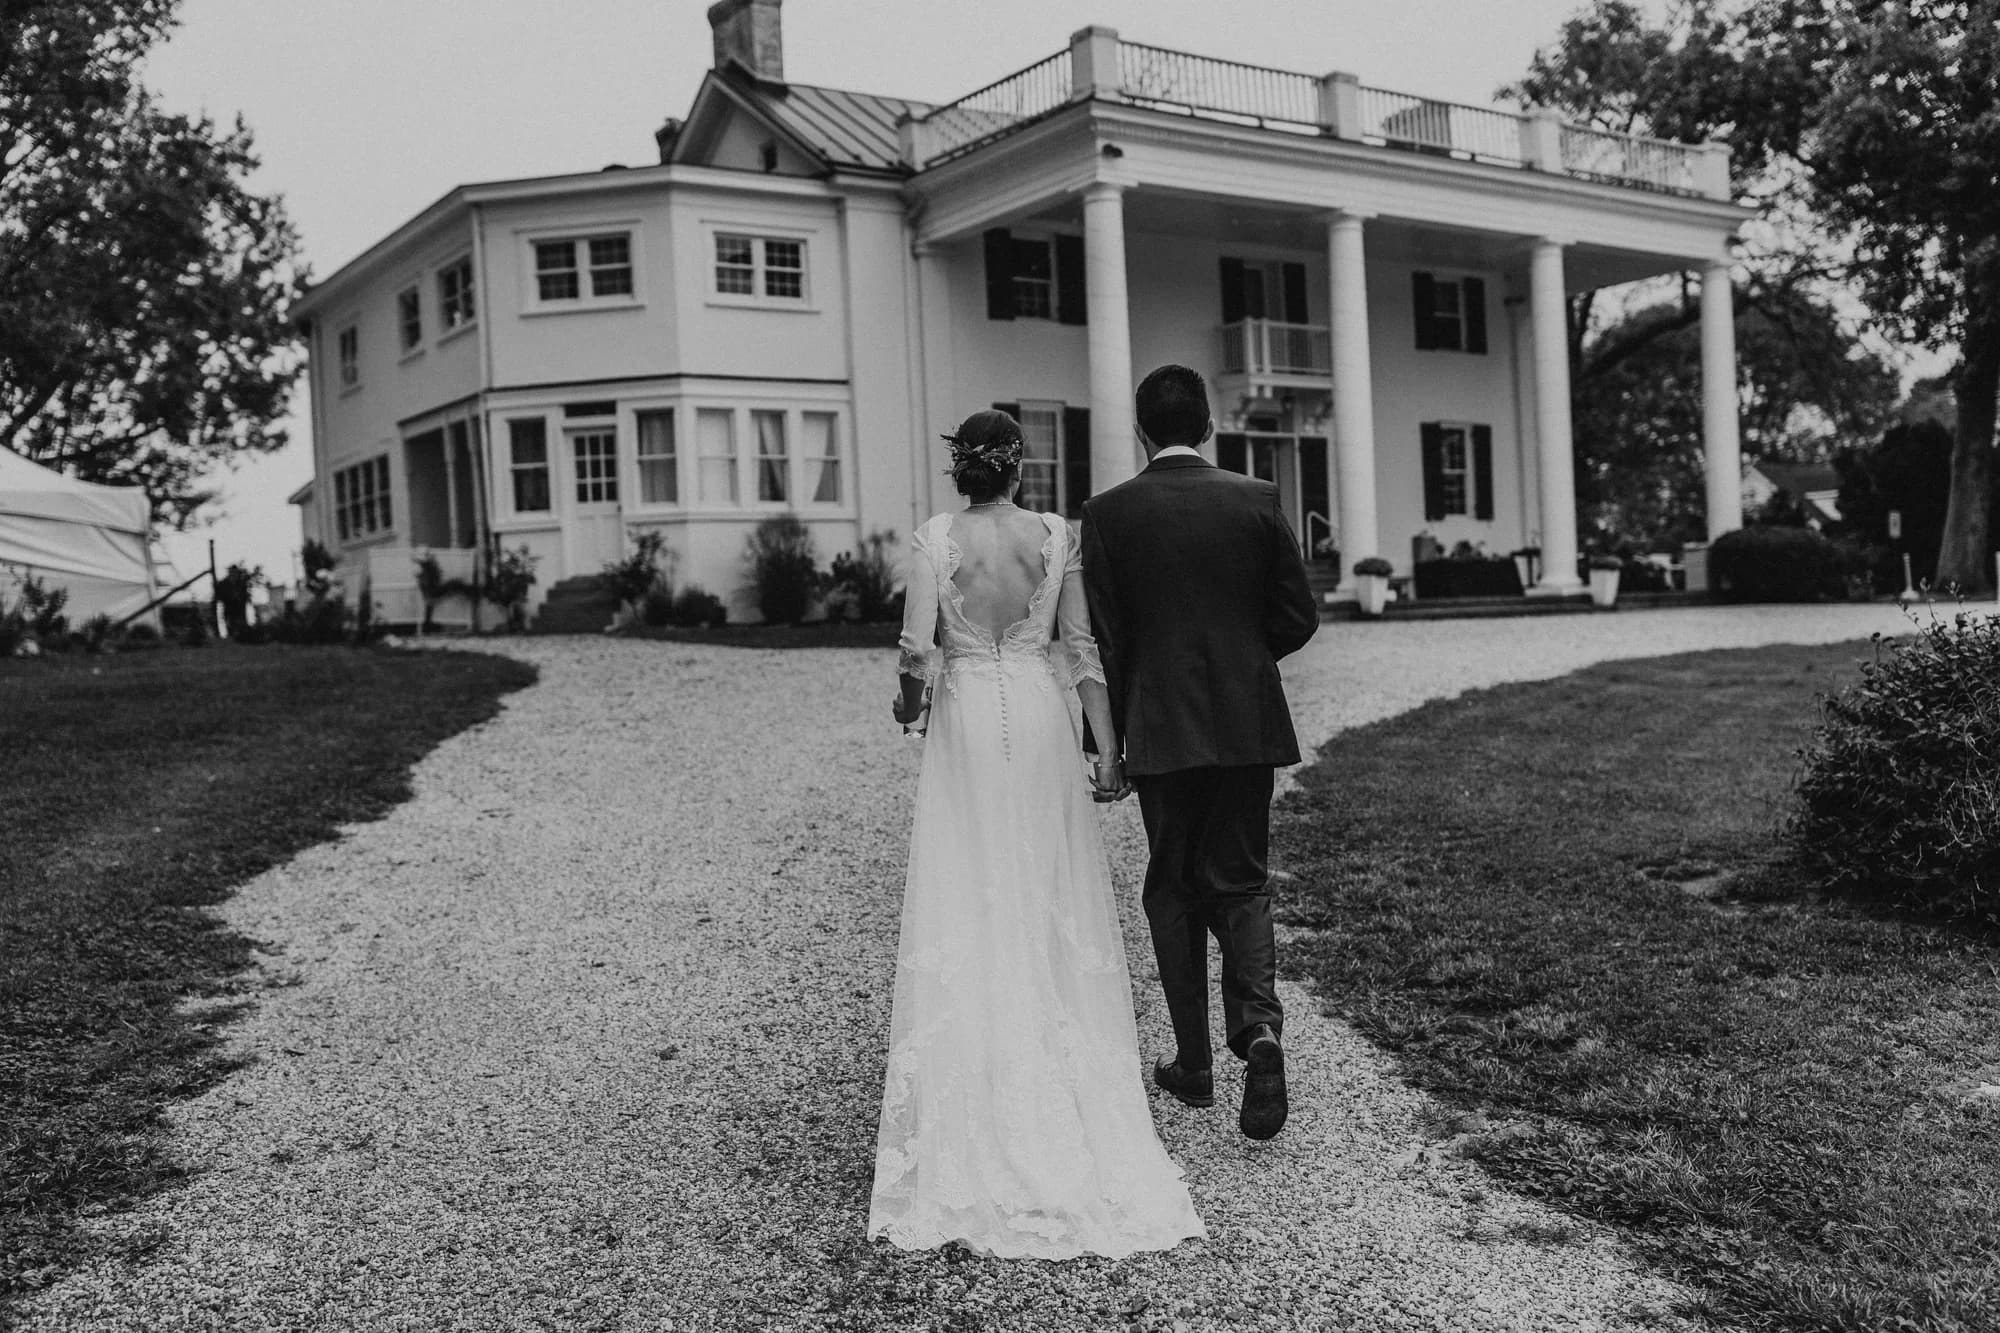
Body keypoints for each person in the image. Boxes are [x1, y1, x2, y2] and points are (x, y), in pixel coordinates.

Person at [868, 409, 1205, 1260]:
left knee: (972, 884)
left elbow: (917, 650)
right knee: (1047, 888)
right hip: (1046, 723)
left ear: (961, 470)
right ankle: (1058, 1075)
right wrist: (1106, 752)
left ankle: (978, 1082)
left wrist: (910, 712)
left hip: (970, 720)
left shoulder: (935, 538)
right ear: (1019, 468)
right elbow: (1082, 646)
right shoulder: (1059, 535)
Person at [1079, 365, 1319, 1141]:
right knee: (1243, 880)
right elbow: (1298, 615)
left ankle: (1193, 1064)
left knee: (1174, 886)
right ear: (1210, 426)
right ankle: (1259, 1032)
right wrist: (1249, 660)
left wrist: (1106, 742)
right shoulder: (1257, 498)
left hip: (1160, 725)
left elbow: (1106, 639)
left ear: (1140, 430)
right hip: (1247, 724)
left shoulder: (1109, 513)